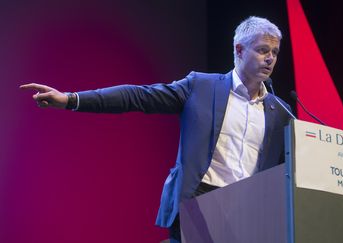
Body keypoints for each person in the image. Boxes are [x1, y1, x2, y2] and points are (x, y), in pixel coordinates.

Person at [20, 16, 293, 242]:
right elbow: (137, 96)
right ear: (239, 50)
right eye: (262, 50)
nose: (270, 58)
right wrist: (70, 99)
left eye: (275, 53)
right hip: (198, 204)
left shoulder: (280, 112)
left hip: (249, 213)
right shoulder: (201, 86)